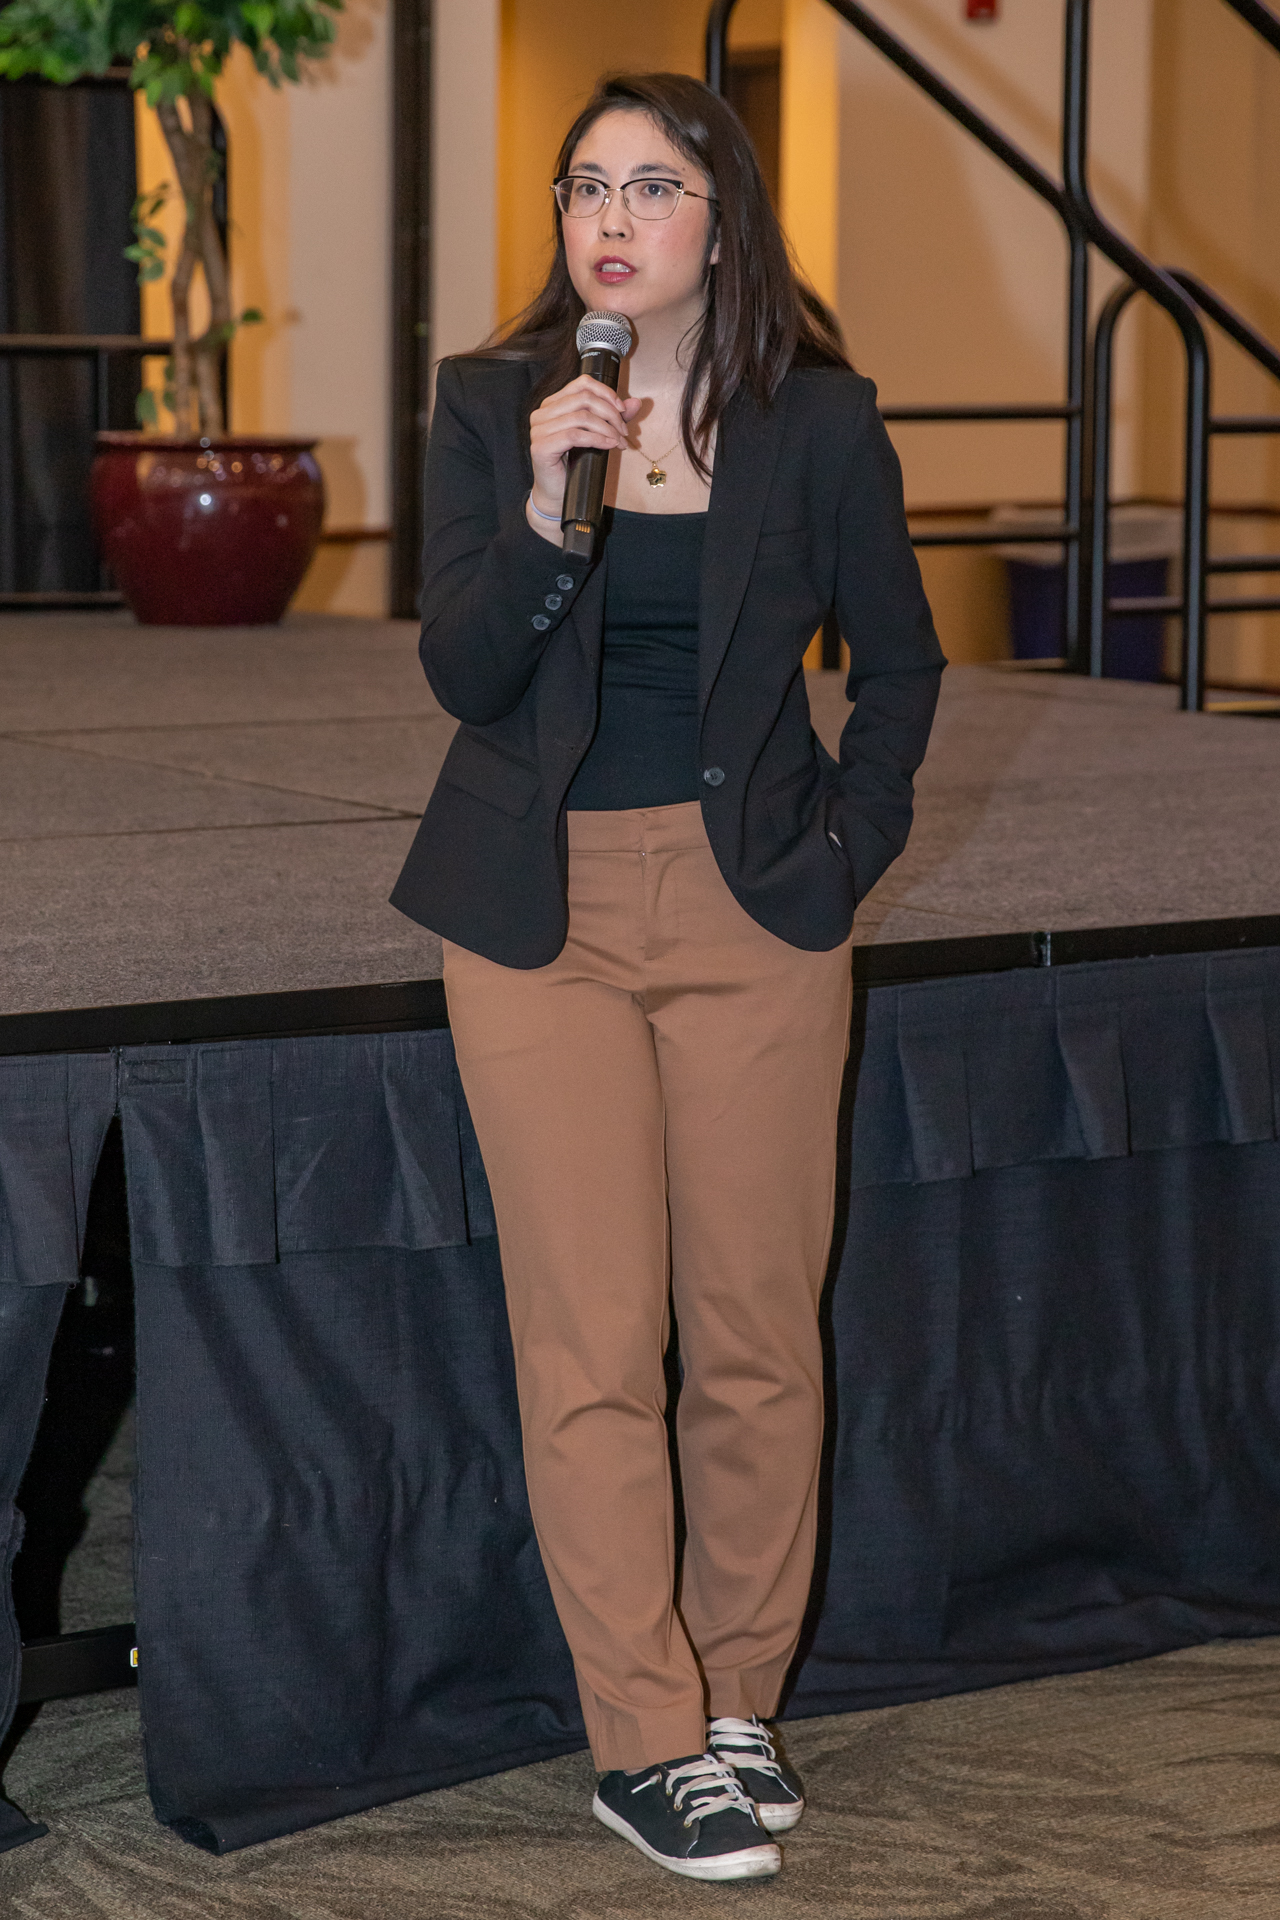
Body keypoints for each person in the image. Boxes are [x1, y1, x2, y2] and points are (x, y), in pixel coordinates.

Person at [391, 71, 944, 1883]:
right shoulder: (499, 406)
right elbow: (465, 673)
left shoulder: (825, 421)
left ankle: (733, 1703)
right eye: (583, 187)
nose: (611, 217)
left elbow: (906, 672)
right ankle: (639, 1737)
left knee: (757, 1338)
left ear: (723, 219)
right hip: (534, 914)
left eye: (653, 184)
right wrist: (562, 510)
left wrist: (846, 855)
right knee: (590, 1340)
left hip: (754, 908)